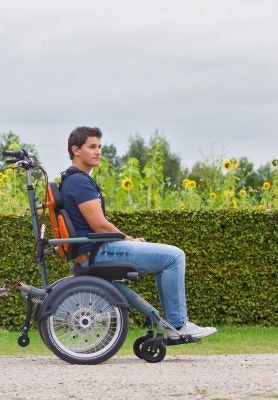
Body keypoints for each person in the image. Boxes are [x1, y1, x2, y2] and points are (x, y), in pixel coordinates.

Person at [60, 126, 217, 340]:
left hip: (93, 250)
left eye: (100, 147)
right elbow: (100, 225)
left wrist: (127, 239)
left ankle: (174, 325)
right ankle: (179, 325)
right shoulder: (79, 181)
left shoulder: (72, 179)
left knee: (169, 257)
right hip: (99, 251)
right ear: (75, 150)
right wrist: (128, 239)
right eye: (92, 147)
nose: (98, 152)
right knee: (174, 256)